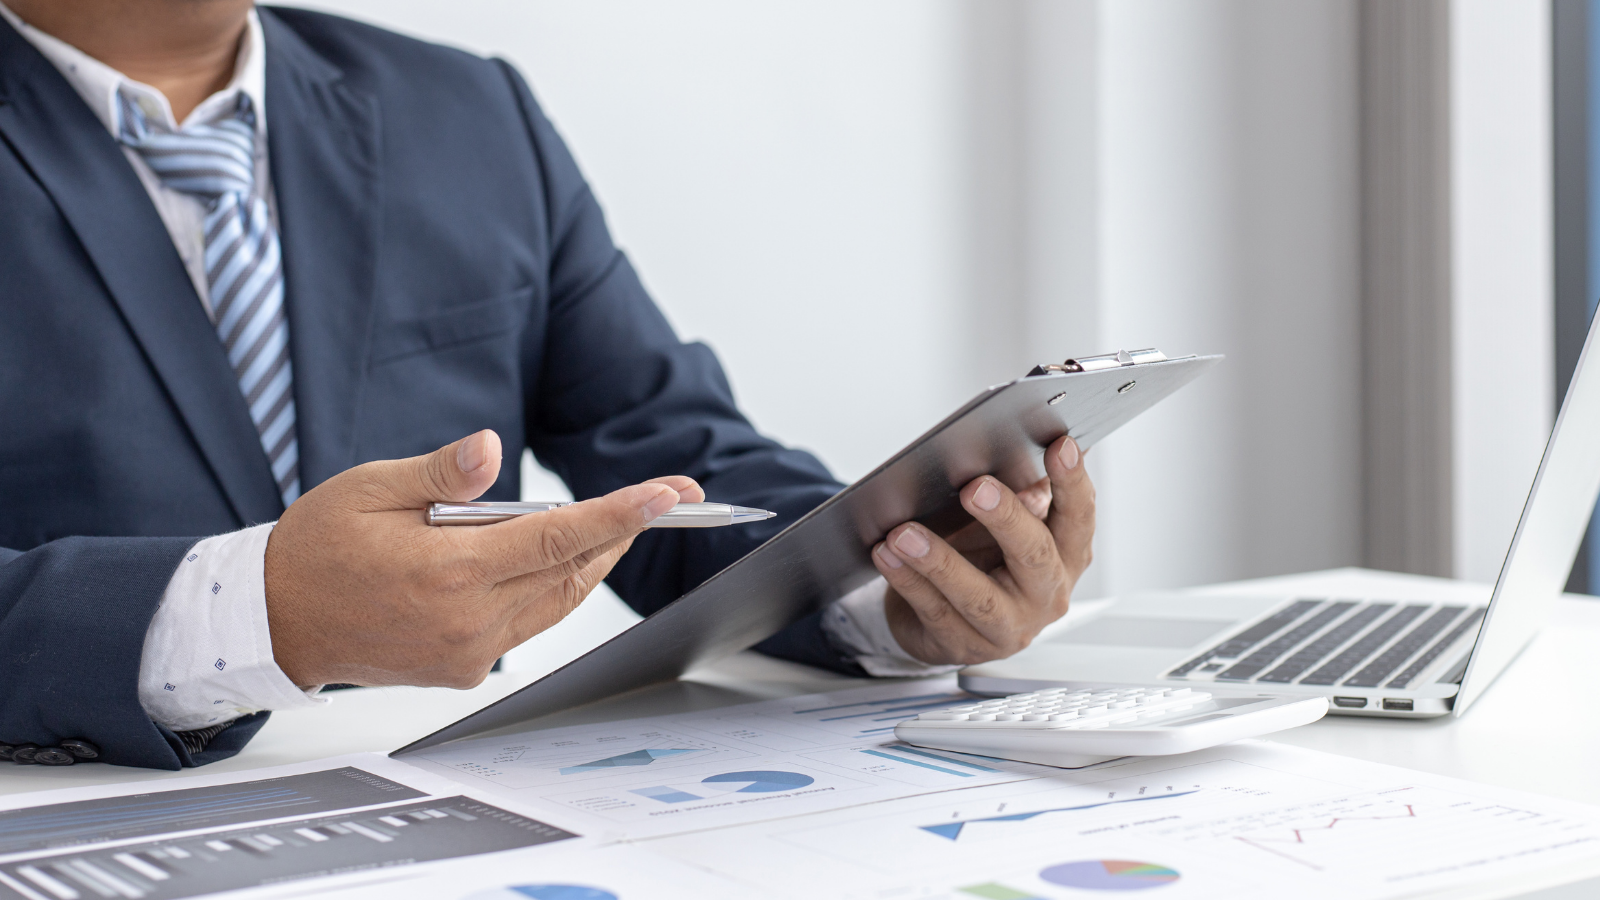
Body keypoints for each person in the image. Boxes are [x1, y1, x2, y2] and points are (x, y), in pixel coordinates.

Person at [0, 0, 1096, 770]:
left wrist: (889, 588)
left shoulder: (468, 113)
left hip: (447, 800)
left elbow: (671, 455)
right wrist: (262, 615)